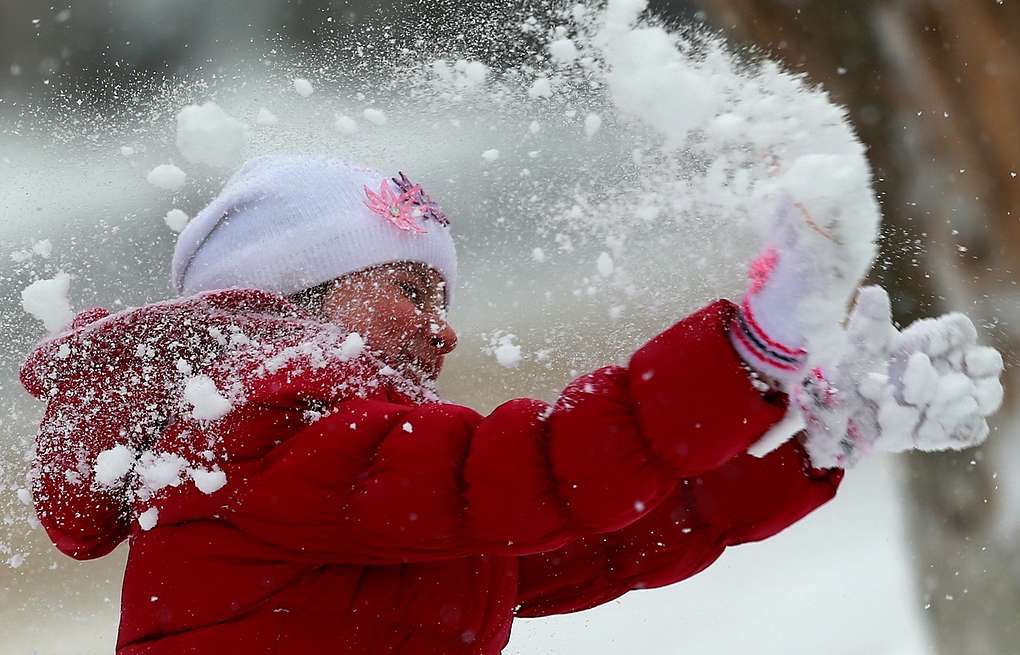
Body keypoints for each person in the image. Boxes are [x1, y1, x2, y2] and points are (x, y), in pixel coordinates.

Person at [20, 155, 1003, 654]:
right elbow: (550, 466)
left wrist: (818, 442)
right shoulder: (272, 435)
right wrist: (748, 352)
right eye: (411, 289)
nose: (443, 331)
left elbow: (602, 531)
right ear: (291, 298)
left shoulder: (352, 481)